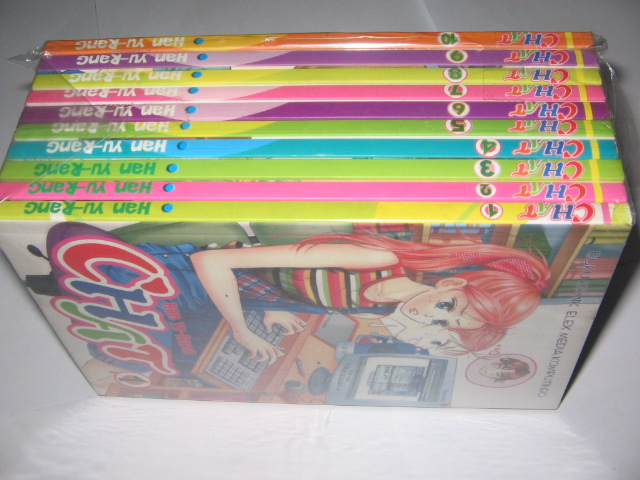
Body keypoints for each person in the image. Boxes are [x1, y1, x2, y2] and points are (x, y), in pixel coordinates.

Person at [190, 231, 551, 364]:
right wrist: (241, 329)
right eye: (445, 307)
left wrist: (272, 307)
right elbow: (212, 259)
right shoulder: (378, 261)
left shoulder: (377, 308)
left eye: (443, 323)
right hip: (196, 262)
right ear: (450, 284)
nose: (429, 318)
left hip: (234, 287)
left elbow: (287, 286)